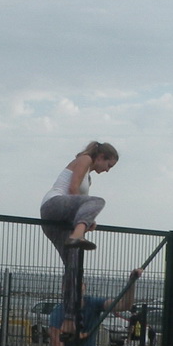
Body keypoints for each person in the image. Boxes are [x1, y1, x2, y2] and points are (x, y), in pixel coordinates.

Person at [39, 141, 119, 335]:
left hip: (60, 220)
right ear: (101, 157)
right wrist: (82, 223)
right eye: (108, 165)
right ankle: (77, 235)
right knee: (98, 201)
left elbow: (81, 206)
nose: (107, 170)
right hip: (53, 205)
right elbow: (73, 190)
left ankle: (69, 319)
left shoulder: (89, 179)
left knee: (73, 268)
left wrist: (88, 220)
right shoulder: (85, 159)